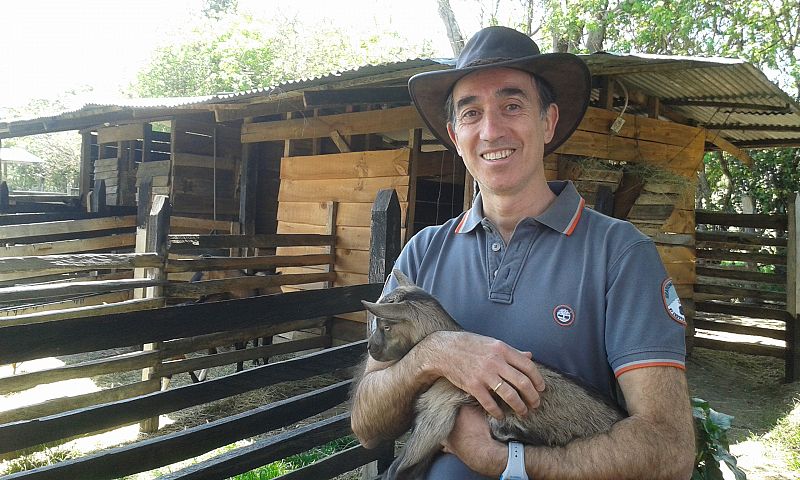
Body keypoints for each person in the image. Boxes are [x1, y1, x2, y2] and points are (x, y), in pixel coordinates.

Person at [350, 26, 695, 479]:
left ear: (548, 122)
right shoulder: (422, 254)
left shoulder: (620, 254)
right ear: (455, 135)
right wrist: (437, 353)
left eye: (512, 106)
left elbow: (671, 449)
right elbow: (366, 425)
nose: (491, 131)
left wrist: (507, 462)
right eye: (471, 113)